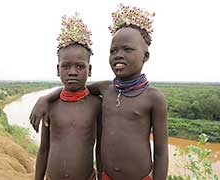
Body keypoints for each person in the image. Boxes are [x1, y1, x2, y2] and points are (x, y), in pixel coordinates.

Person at [31, 4, 168, 180]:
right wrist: (45, 98)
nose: (119, 55)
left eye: (128, 49)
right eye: (113, 51)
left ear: (145, 56)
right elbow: (76, 89)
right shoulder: (106, 89)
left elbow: (161, 152)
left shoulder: (153, 98)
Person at [34, 14, 102, 180]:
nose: (72, 72)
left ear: (90, 69)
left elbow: (100, 148)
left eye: (80, 66)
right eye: (66, 66)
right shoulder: (50, 105)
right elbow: (44, 149)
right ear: (58, 70)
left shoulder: (96, 104)